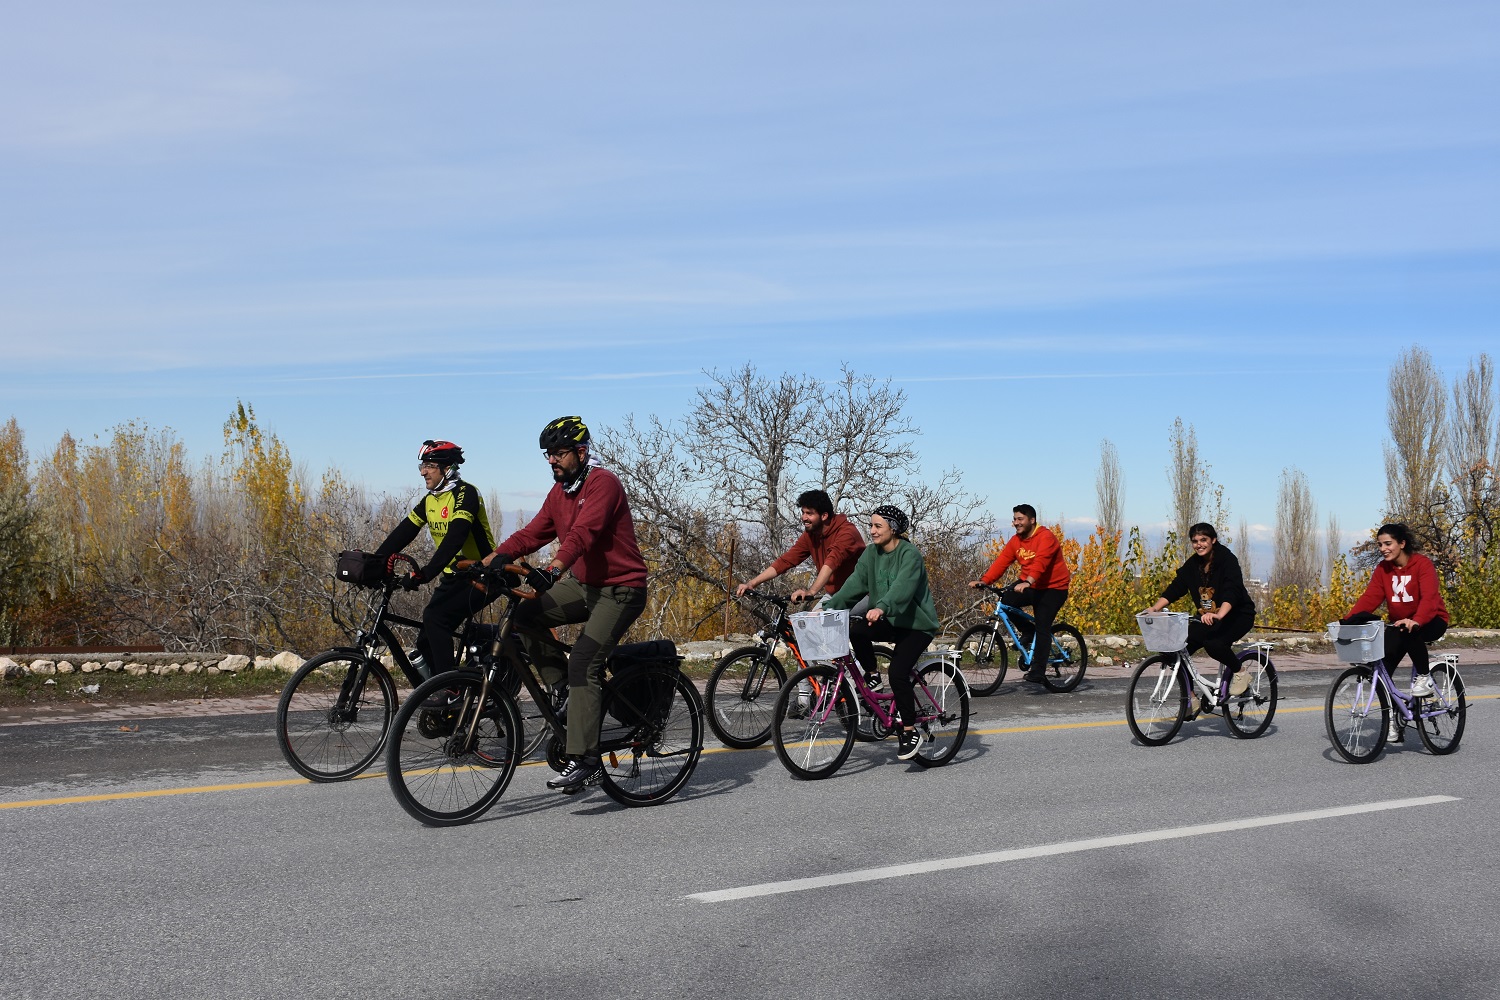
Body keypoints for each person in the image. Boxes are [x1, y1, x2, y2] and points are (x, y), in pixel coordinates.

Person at [482, 416, 650, 793]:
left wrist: (554, 569)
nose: (551, 460)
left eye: (558, 453)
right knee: (525, 614)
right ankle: (563, 689)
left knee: (584, 662)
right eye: (548, 454)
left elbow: (583, 534)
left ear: (581, 452)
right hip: (585, 585)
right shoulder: (560, 492)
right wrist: (492, 559)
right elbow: (532, 533)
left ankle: (586, 759)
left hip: (621, 589)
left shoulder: (603, 483)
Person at [824, 505, 940, 761]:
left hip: (917, 625)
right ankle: (873, 675)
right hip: (891, 620)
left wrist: (881, 607)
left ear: (893, 529)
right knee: (857, 631)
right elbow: (854, 585)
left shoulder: (910, 555)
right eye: (871, 525)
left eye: (878, 526)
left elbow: (902, 588)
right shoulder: (871, 554)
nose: (872, 530)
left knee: (898, 673)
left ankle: (909, 731)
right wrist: (829, 607)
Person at [373, 440, 496, 678]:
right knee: (425, 642)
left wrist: (426, 572)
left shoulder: (466, 493)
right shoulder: (431, 500)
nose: (423, 472)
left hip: (483, 574)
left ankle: (449, 688)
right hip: (454, 576)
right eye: (422, 466)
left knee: (436, 618)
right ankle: (439, 693)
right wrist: (374, 560)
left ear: (447, 468)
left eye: (429, 466)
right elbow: (405, 531)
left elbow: (456, 537)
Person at [735, 489, 874, 681]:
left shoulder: (846, 532)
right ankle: (806, 695)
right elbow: (786, 560)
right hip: (835, 595)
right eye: (803, 512)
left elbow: (831, 562)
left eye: (809, 513)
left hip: (862, 594)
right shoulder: (812, 535)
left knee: (825, 627)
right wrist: (752, 583)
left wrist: (811, 591)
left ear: (824, 516)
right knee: (807, 638)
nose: (804, 517)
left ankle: (858, 674)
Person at [1340, 522, 1449, 743]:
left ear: (1402, 543)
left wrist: (1416, 620)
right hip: (1400, 625)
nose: (1383, 548)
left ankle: (1425, 677)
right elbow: (1370, 597)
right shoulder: (1383, 569)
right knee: (1382, 669)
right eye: (1380, 545)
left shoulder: (1422, 564)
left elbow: (1429, 599)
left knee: (1410, 633)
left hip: (1431, 620)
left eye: (1388, 543)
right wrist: (1348, 621)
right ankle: (1394, 717)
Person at [1144, 522, 1256, 710]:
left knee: (1214, 644)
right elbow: (1177, 587)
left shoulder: (1227, 560)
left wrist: (1219, 614)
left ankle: (1240, 671)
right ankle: (1191, 698)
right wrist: (1155, 608)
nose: (1199, 544)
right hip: (1208, 617)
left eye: (1203, 540)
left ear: (1213, 540)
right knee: (1175, 649)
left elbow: (1232, 590)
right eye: (1195, 541)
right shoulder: (1193, 564)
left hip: (1237, 615)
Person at [968, 504, 1071, 684]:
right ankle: (1028, 630)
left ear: (1032, 520)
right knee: (1006, 602)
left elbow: (1041, 563)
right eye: (1014, 519)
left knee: (1043, 625)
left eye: (1020, 519)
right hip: (1030, 584)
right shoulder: (1016, 540)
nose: (1016, 523)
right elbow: (1002, 562)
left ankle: (1038, 671)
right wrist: (985, 581)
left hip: (1053, 588)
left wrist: (1028, 581)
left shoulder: (1046, 537)